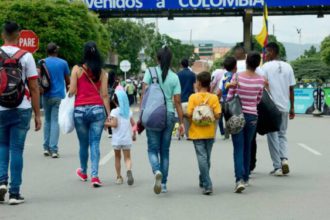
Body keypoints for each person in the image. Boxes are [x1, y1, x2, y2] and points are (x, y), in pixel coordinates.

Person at [0, 21, 41, 205]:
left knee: (2, 146)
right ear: (18, 36)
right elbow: (33, 87)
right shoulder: (26, 57)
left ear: (3, 35)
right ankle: (15, 193)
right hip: (21, 107)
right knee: (17, 149)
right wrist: (37, 114)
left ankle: (1, 182)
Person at [142, 46, 185, 194]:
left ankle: (156, 171)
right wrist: (181, 123)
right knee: (165, 151)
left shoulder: (150, 72)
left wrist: (142, 116)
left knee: (152, 149)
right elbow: (178, 101)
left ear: (158, 59)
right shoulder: (174, 77)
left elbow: (144, 96)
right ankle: (164, 184)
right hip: (169, 115)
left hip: (153, 114)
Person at [68, 41, 110, 187]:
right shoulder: (102, 72)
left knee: (83, 143)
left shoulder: (77, 69)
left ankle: (83, 172)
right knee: (95, 143)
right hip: (97, 110)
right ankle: (95, 176)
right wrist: (108, 114)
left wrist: (69, 93)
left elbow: (72, 91)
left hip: (79, 110)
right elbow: (104, 95)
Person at [227, 52, 265, 193]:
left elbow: (230, 96)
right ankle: (246, 177)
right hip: (252, 116)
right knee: (247, 147)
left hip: (237, 114)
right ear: (257, 64)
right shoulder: (261, 80)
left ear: (247, 62)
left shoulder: (237, 76)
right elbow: (258, 99)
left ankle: (239, 180)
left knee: (238, 148)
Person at [262, 42, 296, 176]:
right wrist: (292, 107)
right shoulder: (288, 67)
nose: (265, 55)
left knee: (272, 136)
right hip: (284, 107)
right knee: (282, 134)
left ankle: (277, 166)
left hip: (271, 107)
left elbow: (263, 86)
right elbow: (291, 88)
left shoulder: (265, 67)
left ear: (272, 52)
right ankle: (284, 159)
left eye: (266, 52)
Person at [186, 71, 221, 195]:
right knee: (207, 157)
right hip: (210, 132)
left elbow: (189, 114)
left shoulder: (192, 97)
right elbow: (217, 115)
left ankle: (207, 184)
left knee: (202, 157)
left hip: (196, 132)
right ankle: (203, 178)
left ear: (199, 83)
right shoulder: (214, 97)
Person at [42, 43, 70, 158]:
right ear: (56, 51)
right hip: (58, 95)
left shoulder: (42, 62)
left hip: (45, 94)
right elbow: (67, 80)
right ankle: (54, 149)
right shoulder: (63, 63)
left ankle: (45, 147)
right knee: (54, 121)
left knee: (47, 121)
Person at [105, 90, 136, 186]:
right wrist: (134, 134)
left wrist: (105, 123)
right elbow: (134, 124)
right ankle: (129, 170)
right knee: (127, 158)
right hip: (126, 138)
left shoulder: (114, 111)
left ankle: (119, 177)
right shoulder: (128, 111)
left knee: (117, 158)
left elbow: (114, 124)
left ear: (115, 101)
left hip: (117, 140)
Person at [177, 58, 196, 139]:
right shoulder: (192, 74)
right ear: (188, 64)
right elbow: (194, 87)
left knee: (181, 117)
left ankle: (181, 133)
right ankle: (189, 134)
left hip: (181, 99)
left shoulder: (178, 74)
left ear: (181, 65)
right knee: (190, 117)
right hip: (190, 99)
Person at [211, 69, 226, 138]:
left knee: (219, 116)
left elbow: (213, 84)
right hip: (228, 99)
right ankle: (226, 132)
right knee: (228, 116)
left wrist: (210, 94)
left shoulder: (217, 72)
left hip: (218, 98)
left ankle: (222, 132)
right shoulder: (232, 73)